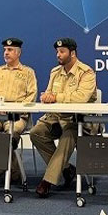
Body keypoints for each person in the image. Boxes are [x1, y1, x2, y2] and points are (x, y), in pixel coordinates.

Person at [30, 37, 97, 198]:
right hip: (56, 117)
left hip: (79, 121)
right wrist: (46, 97)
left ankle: (47, 181)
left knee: (68, 135)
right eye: (57, 52)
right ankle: (67, 169)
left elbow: (81, 97)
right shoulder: (55, 72)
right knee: (36, 132)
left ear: (72, 53)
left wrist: (55, 97)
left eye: (62, 51)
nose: (58, 55)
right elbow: (49, 93)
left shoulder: (86, 72)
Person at [0, 37, 37, 182]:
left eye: (10, 50)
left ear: (18, 53)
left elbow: (31, 96)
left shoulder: (28, 72)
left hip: (17, 116)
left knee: (11, 134)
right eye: (4, 50)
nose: (6, 53)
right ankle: (10, 167)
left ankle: (1, 166)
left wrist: (14, 110)